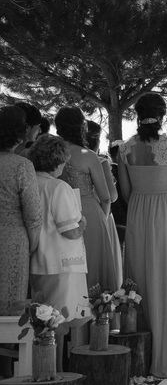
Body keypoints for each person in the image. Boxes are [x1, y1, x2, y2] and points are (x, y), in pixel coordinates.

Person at [118, 93, 167, 378]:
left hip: (137, 211)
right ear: (162, 115)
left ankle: (140, 353)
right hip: (165, 213)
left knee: (140, 276)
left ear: (137, 114)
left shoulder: (124, 149)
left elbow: (124, 193)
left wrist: (140, 204)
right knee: (165, 277)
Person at [28, 134, 90, 368]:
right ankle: (55, 369)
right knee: (59, 321)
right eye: (63, 161)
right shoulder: (58, 187)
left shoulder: (31, 181)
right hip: (62, 262)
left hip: (38, 259)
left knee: (41, 319)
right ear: (57, 161)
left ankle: (44, 366)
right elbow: (70, 231)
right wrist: (82, 223)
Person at [55, 107, 120, 291]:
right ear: (81, 127)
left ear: (58, 128)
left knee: (65, 270)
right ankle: (99, 314)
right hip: (89, 215)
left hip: (58, 213)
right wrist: (103, 221)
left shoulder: (50, 153)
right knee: (93, 267)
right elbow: (106, 198)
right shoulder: (89, 156)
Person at [0, 105, 42, 315]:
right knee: (10, 304)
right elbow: (33, 215)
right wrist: (32, 245)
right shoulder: (21, 165)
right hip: (12, 240)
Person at [85, 120, 123, 274]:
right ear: (97, 140)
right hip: (100, 214)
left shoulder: (66, 158)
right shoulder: (100, 161)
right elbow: (111, 197)